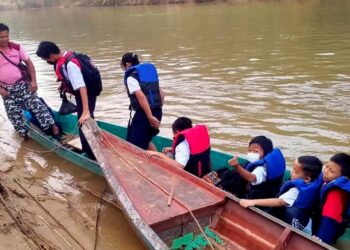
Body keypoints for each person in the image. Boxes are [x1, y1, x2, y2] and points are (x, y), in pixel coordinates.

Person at [36, 41, 102, 159]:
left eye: (45, 59)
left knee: (84, 123)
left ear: (51, 55)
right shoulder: (65, 55)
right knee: (86, 119)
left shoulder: (70, 65)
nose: (46, 62)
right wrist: (64, 84)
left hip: (87, 93)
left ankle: (90, 154)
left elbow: (82, 87)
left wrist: (85, 111)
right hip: (84, 93)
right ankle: (93, 148)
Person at [0, 23, 59, 140]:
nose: (5, 39)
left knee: (37, 106)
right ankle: (25, 137)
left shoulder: (17, 48)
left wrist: (34, 81)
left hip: (23, 84)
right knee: (14, 115)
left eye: (6, 36)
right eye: (1, 37)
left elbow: (29, 64)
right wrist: (0, 89)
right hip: (6, 90)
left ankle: (54, 129)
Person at [240, 156, 323, 231]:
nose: (291, 172)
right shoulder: (315, 182)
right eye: (293, 168)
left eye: (296, 171)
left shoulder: (295, 190)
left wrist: (252, 202)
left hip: (296, 225)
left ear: (307, 179)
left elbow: (278, 202)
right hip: (306, 221)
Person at [120, 52, 165, 151]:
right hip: (157, 112)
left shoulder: (131, 77)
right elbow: (162, 93)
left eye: (122, 65)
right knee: (146, 140)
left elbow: (141, 97)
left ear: (127, 64)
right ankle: (159, 160)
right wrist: (158, 110)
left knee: (133, 144)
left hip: (145, 115)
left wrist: (149, 116)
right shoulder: (147, 74)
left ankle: (145, 165)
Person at [146, 117, 211, 178]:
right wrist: (172, 149)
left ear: (177, 132)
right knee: (169, 153)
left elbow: (179, 166)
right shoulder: (197, 135)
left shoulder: (181, 145)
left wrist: (158, 154)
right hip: (204, 171)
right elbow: (193, 149)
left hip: (192, 176)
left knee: (166, 156)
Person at [315, 153, 350, 245]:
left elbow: (329, 221)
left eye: (331, 171)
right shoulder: (329, 181)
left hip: (330, 229)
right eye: (327, 166)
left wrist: (320, 241)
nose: (325, 171)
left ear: (343, 177)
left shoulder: (335, 194)